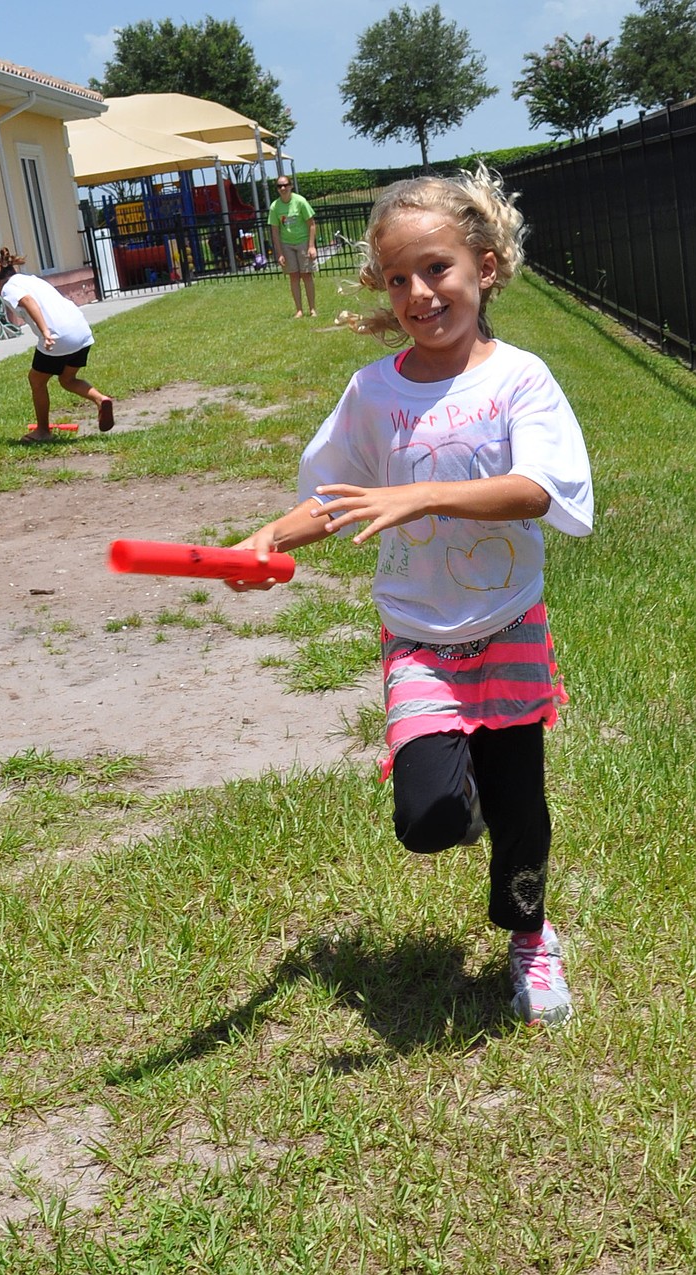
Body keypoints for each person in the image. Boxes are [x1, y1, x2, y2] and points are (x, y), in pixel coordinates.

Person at [229, 167, 593, 1028]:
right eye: (398, 278)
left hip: (506, 622)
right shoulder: (374, 392)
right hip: (419, 634)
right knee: (428, 819)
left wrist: (420, 496)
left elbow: (539, 488)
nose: (419, 293)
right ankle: (452, 785)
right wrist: (270, 537)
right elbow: (336, 497)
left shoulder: (520, 380)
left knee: (522, 809)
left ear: (487, 266)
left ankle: (530, 939)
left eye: (437, 269)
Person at [0, 248, 114, 443]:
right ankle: (101, 399)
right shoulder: (31, 279)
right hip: (81, 330)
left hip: (57, 336)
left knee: (36, 380)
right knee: (67, 379)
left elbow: (28, 301)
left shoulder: (8, 288)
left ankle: (43, 431)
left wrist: (45, 331)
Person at [268, 177, 317, 318]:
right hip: (286, 244)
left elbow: (311, 224)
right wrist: (279, 253)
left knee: (307, 275)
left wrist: (311, 246)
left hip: (303, 241)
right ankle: (299, 310)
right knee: (294, 276)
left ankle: (312, 308)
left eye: (285, 185)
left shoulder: (300, 201)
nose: (283, 189)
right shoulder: (275, 207)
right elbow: (275, 231)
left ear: (291, 186)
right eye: (279, 186)